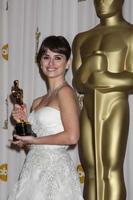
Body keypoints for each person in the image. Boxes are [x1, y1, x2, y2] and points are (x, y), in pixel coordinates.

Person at [8, 35, 84, 200]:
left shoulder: (65, 92)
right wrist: (22, 126)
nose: (51, 63)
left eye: (58, 58)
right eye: (46, 57)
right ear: (40, 62)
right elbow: (32, 146)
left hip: (55, 172)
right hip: (32, 172)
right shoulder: (37, 102)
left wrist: (33, 141)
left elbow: (72, 137)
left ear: (68, 63)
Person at [72, 0, 133, 200]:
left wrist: (105, 77)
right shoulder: (82, 38)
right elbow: (78, 83)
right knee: (91, 171)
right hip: (88, 107)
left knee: (111, 169)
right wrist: (90, 66)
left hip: (114, 104)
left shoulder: (130, 34)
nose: (101, 2)